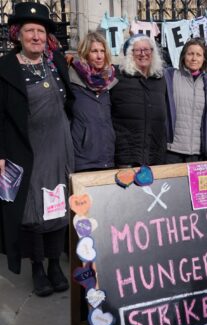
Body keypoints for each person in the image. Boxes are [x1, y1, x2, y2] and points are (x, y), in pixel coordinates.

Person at [0, 2, 74, 296]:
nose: (35, 36)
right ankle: (38, 269)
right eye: (29, 30)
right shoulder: (6, 69)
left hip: (60, 146)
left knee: (58, 208)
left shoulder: (56, 61)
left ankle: (56, 264)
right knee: (33, 211)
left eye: (40, 31)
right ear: (18, 34)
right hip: (27, 150)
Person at [110, 34, 167, 167]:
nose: (143, 54)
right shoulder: (117, 78)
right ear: (130, 54)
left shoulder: (160, 80)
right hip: (126, 156)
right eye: (138, 50)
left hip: (155, 156)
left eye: (147, 50)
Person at [69, 31, 117, 171]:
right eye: (94, 51)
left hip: (108, 159)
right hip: (83, 160)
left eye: (102, 51)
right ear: (85, 53)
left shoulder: (111, 80)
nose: (99, 56)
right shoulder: (72, 81)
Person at [164, 39, 207, 164]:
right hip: (172, 150)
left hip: (197, 152)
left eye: (198, 55)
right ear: (183, 56)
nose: (194, 58)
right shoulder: (171, 76)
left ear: (204, 59)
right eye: (190, 54)